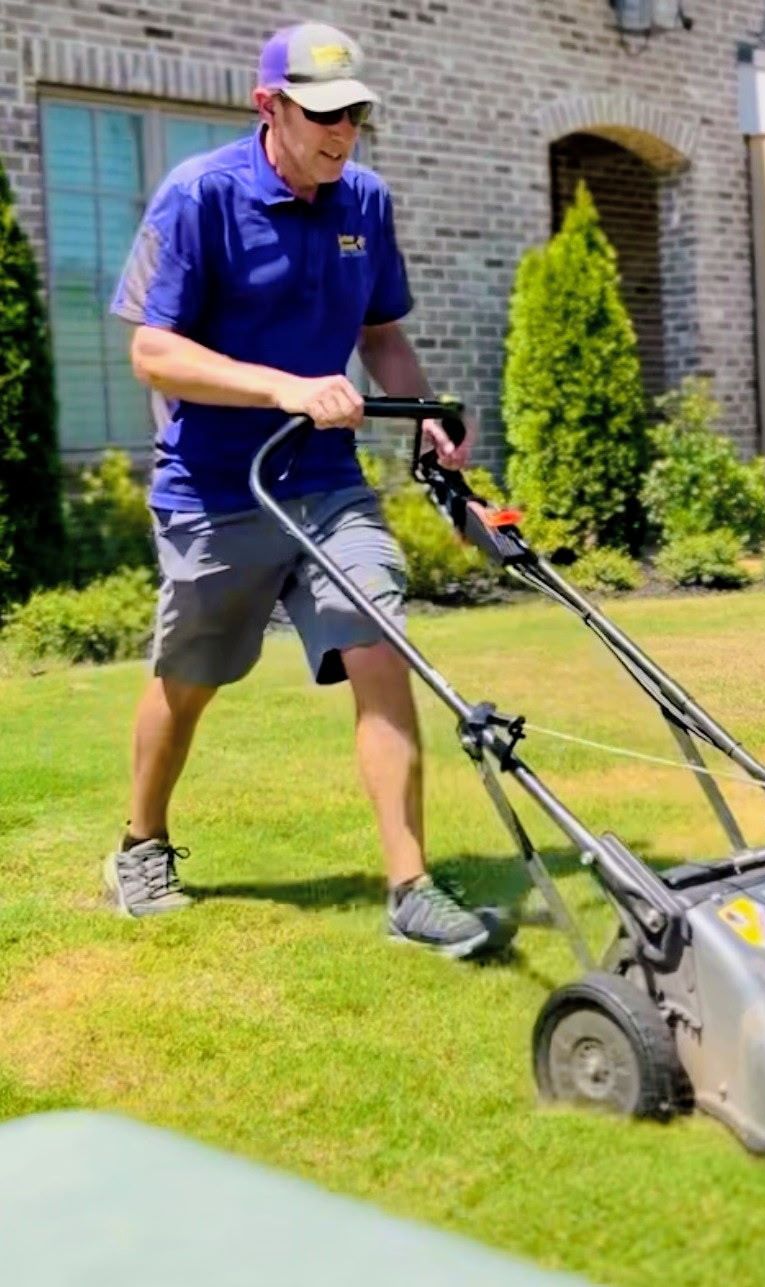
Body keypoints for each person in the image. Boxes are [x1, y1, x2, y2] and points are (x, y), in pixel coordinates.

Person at [105, 20, 503, 958]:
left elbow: (380, 335)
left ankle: (409, 883)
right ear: (268, 106)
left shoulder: (364, 199)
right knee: (190, 678)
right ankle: (141, 842)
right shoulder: (199, 195)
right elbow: (150, 351)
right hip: (215, 486)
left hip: (327, 482)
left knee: (380, 643)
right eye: (322, 114)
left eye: (354, 113)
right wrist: (281, 386)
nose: (342, 132)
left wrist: (417, 410)